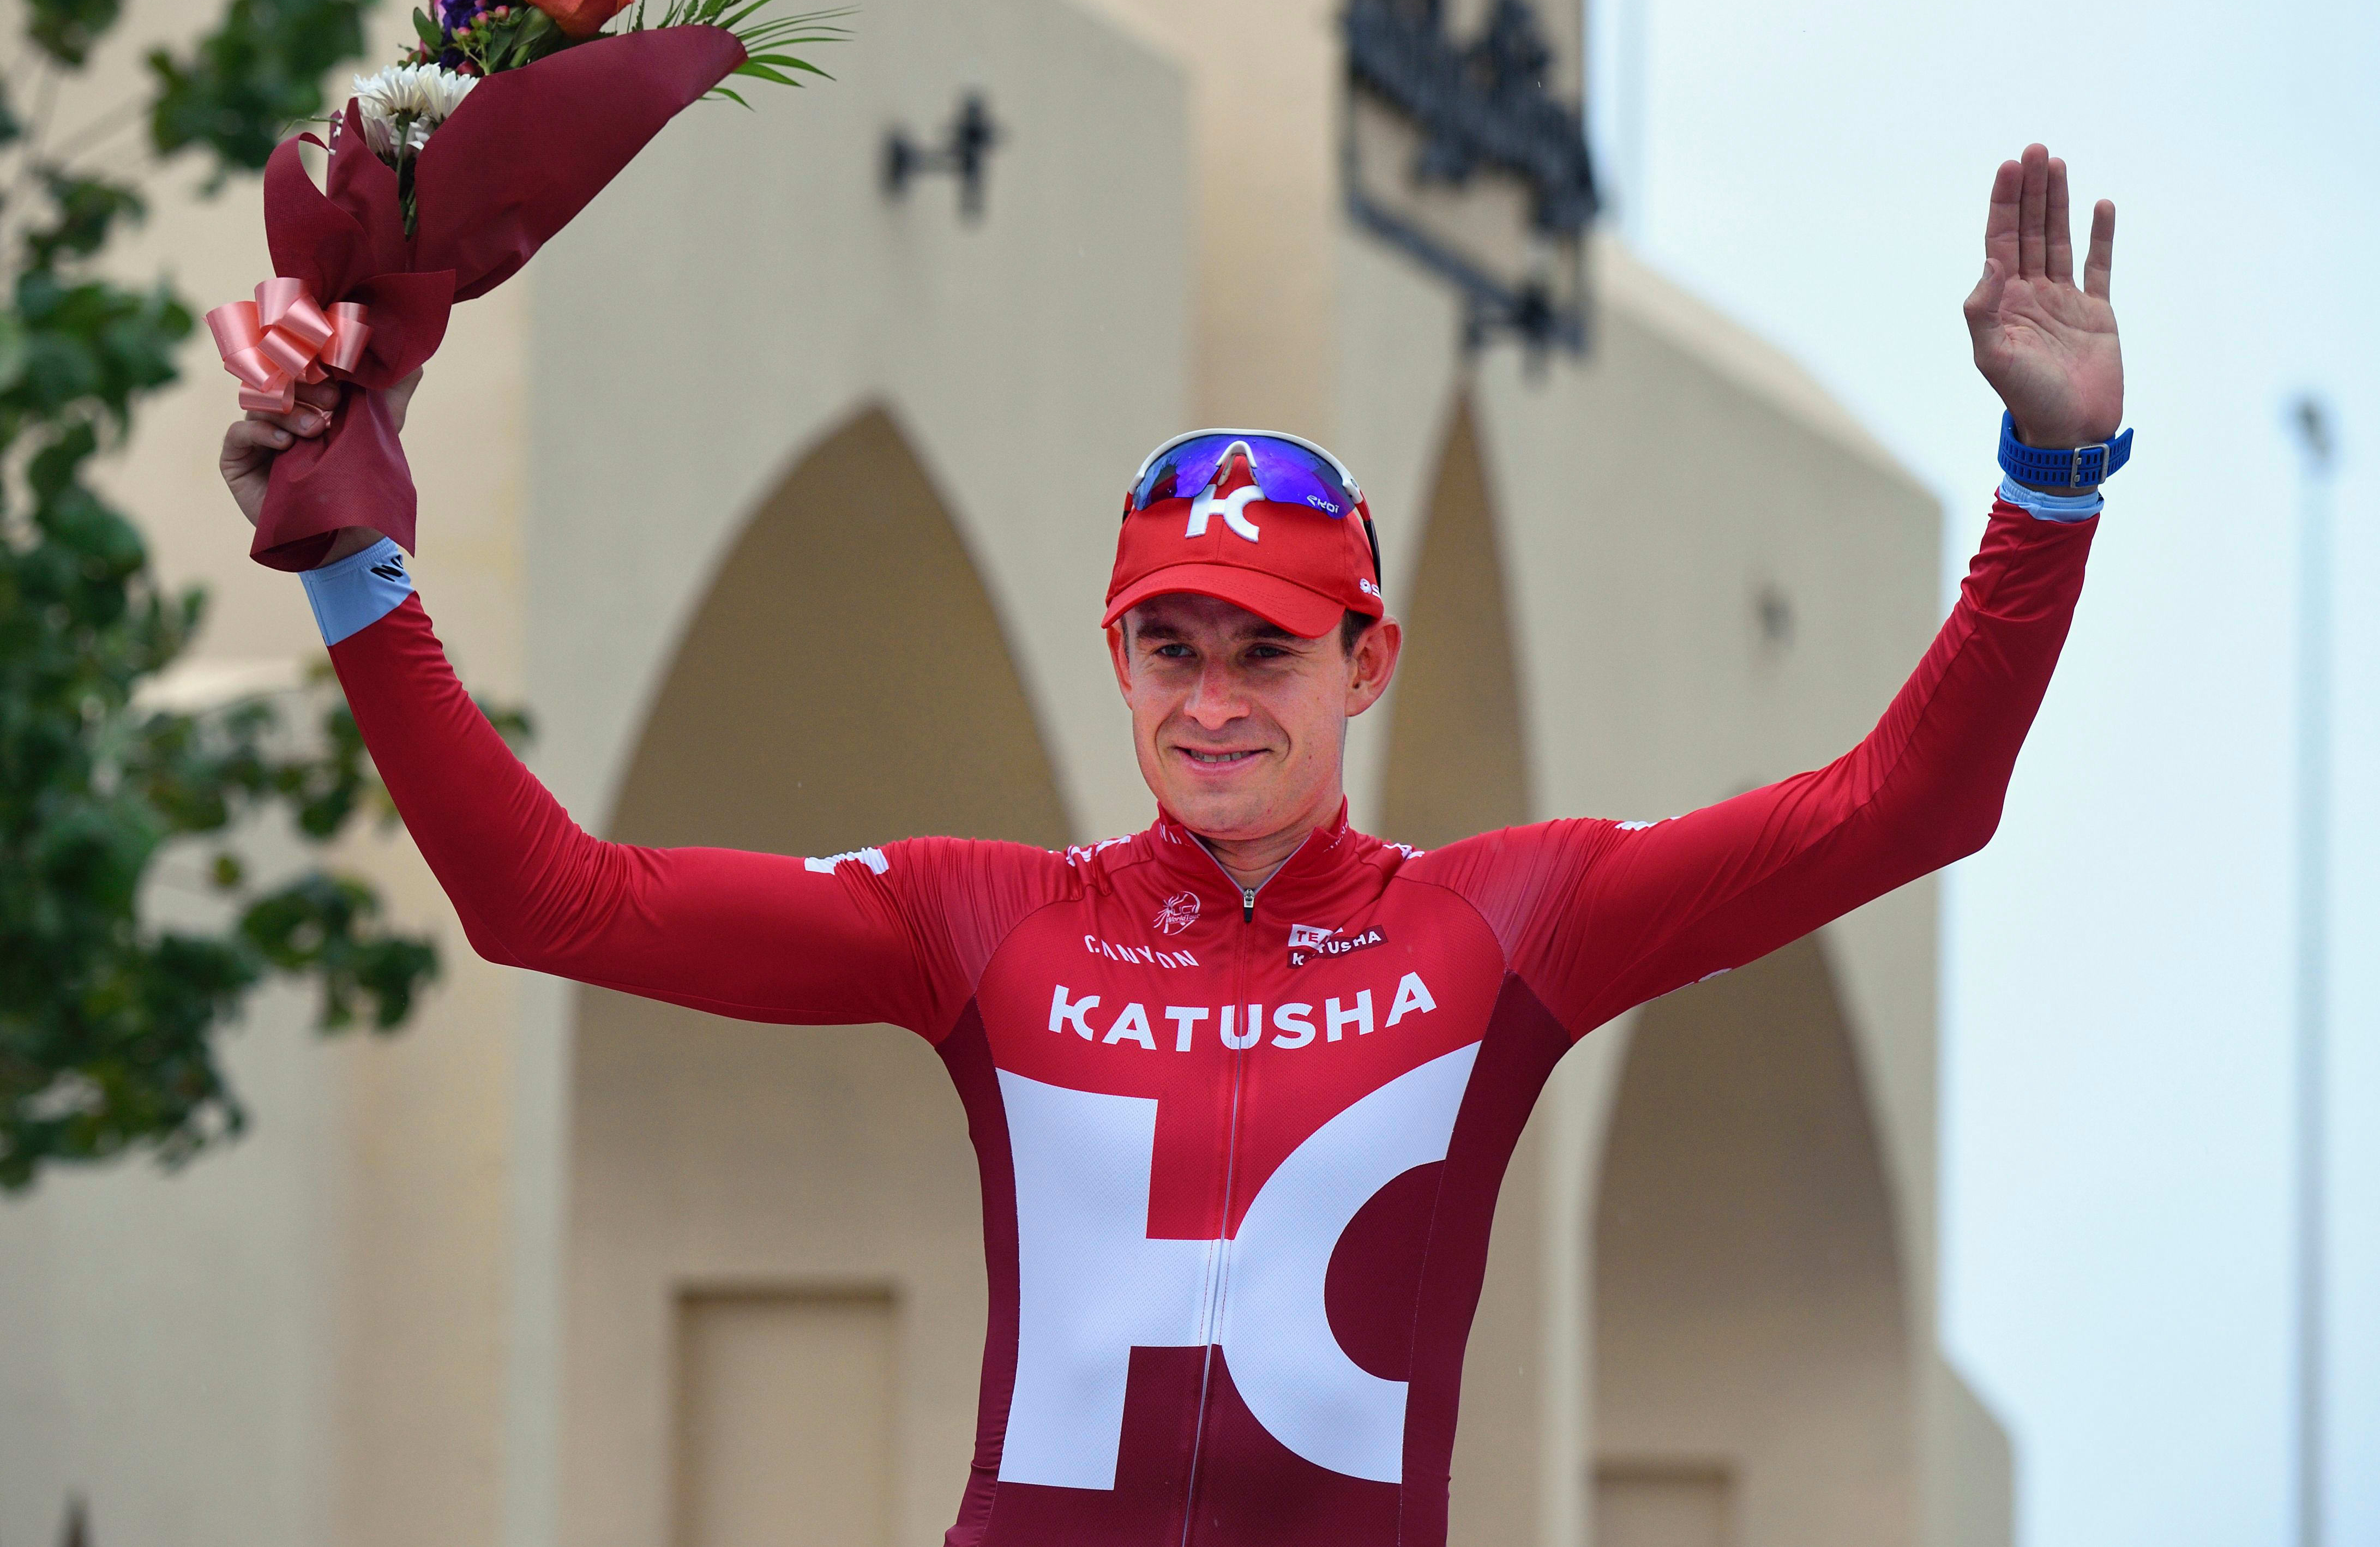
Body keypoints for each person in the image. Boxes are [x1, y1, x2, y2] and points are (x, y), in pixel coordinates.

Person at [219, 145, 2125, 1545]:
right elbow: (546, 899)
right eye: (1170, 647)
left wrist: (2049, 485)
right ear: (1116, 653)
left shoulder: (1506, 922)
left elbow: (1908, 803)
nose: (1212, 702)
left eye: (1266, 652)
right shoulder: (977, 919)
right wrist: (357, 570)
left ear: (1366, 661)